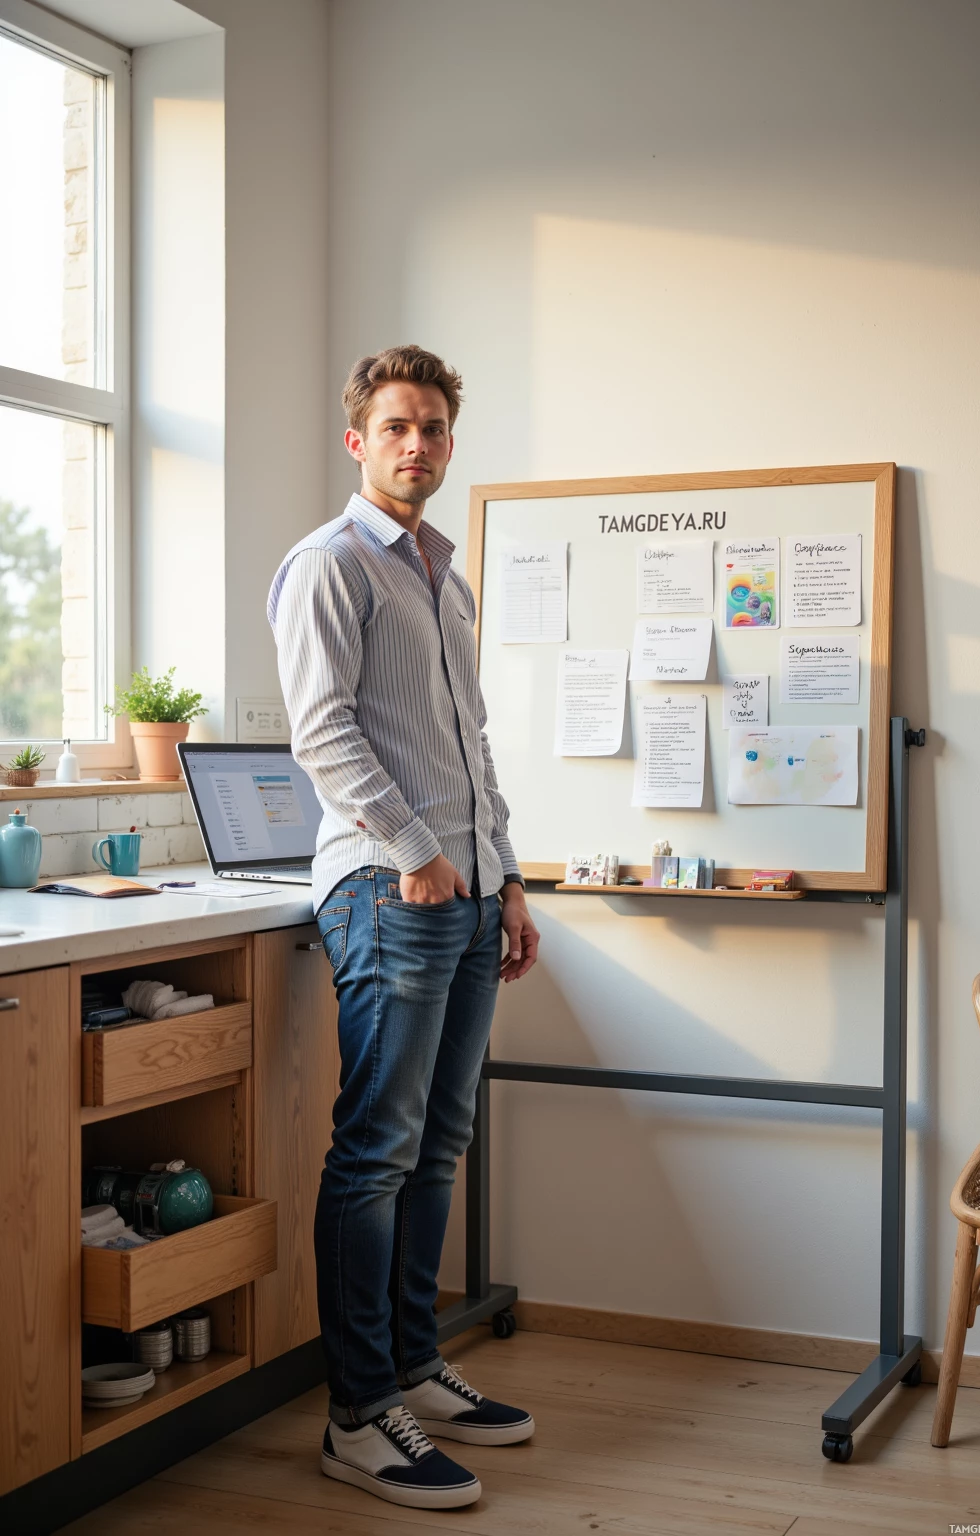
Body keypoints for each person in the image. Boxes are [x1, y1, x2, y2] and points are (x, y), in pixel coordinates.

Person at [268, 344, 540, 1511]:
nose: (418, 444)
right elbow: (322, 734)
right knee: (375, 1151)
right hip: (390, 888)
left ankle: (415, 1364)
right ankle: (356, 1413)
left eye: (433, 426)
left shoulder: (445, 573)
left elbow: (469, 743)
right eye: (397, 427)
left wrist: (508, 878)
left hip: (468, 890)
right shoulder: (329, 566)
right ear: (357, 440)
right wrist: (423, 855)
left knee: (439, 1143)